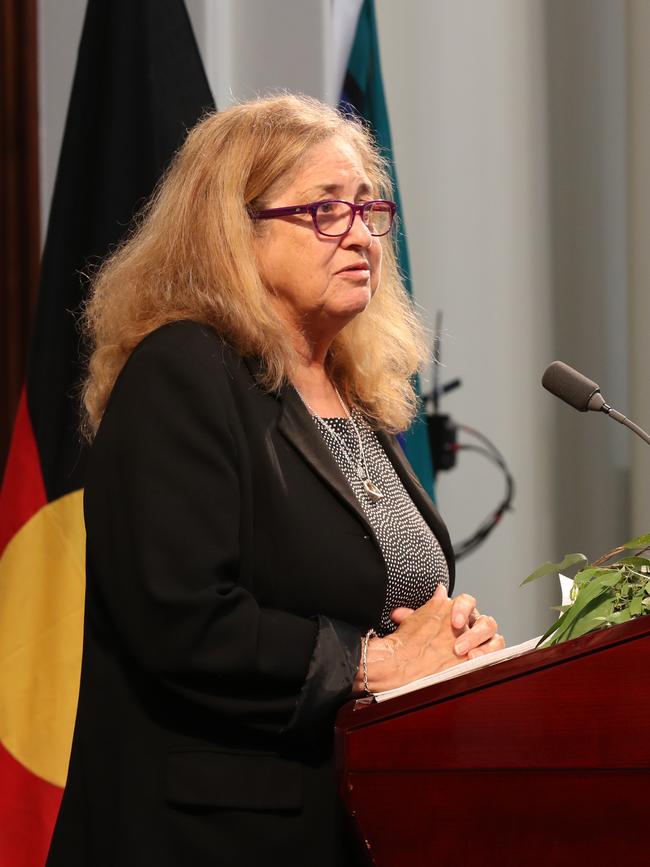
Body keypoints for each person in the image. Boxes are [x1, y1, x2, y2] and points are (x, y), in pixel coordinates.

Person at [46, 94, 504, 867]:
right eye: (325, 210)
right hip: (210, 837)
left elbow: (379, 599)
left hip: (359, 822)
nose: (360, 233)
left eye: (368, 207)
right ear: (232, 229)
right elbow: (183, 619)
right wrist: (375, 662)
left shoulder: (355, 399)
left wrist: (455, 650)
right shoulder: (182, 373)